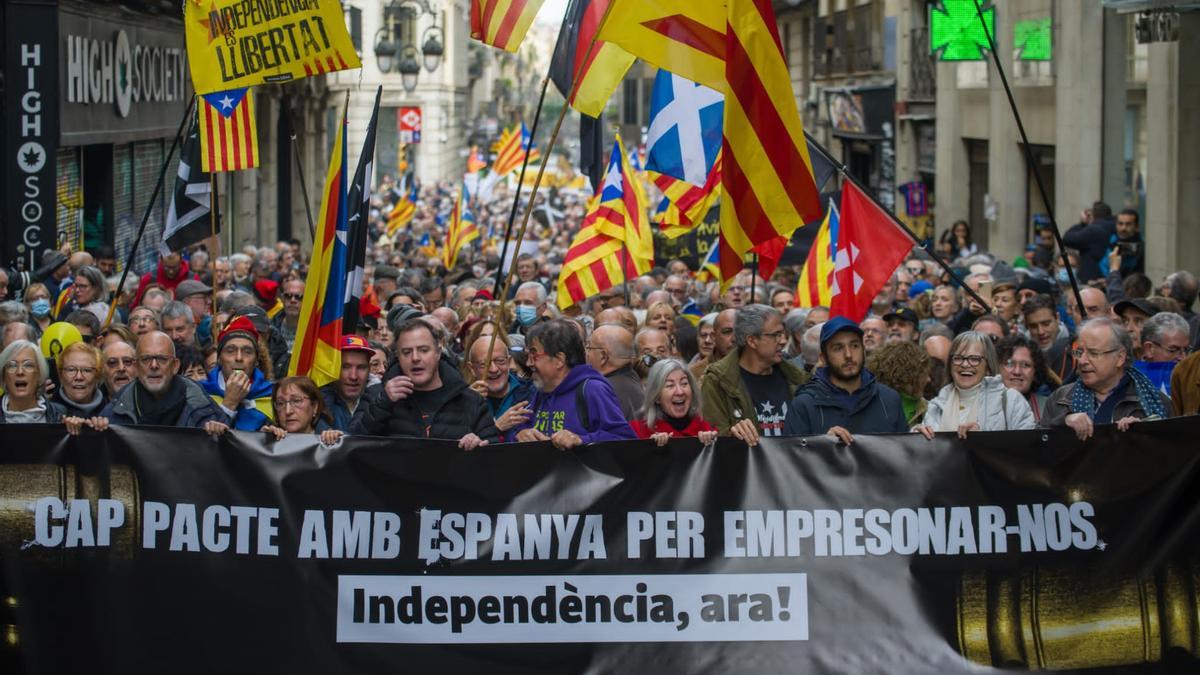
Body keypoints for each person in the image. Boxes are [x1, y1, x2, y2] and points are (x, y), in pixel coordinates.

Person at [352, 317, 499, 448]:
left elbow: (494, 457)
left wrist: (479, 445)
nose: (415, 358)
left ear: (438, 352)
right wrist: (383, 403)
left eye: (423, 350)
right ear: (397, 356)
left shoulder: (470, 400)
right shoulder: (377, 395)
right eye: (407, 352)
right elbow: (352, 443)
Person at [510, 319, 636, 448]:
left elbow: (625, 439)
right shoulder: (542, 391)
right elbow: (517, 431)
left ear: (559, 360)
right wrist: (521, 434)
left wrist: (581, 440)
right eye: (528, 356)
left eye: (534, 355)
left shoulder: (593, 389)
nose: (528, 363)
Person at [1043, 318, 1173, 439]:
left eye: (1093, 353)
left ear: (1120, 357)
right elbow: (1039, 447)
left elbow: (1172, 452)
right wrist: (1063, 422)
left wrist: (1140, 434)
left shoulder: (1154, 400)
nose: (1082, 361)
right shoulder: (1061, 398)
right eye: (1079, 352)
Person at [783, 317, 909, 441]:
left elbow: (903, 455)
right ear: (823, 357)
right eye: (838, 348)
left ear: (863, 350)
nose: (848, 355)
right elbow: (792, 457)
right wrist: (823, 445)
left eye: (854, 346)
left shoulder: (888, 399)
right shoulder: (805, 404)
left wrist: (917, 438)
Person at [701, 304, 809, 444]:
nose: (782, 341)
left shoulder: (797, 378)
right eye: (775, 335)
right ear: (752, 340)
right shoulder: (718, 381)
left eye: (782, 334)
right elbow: (715, 439)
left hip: (792, 463)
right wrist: (733, 434)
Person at [915, 332, 1036, 439]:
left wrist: (981, 439)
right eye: (958, 358)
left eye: (974, 359)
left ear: (988, 366)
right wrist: (917, 437)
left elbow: (1027, 448)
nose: (965, 364)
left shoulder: (1011, 400)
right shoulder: (936, 405)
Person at [101, 331, 228, 428]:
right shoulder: (116, 410)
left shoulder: (203, 407)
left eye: (162, 359)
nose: (154, 365)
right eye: (146, 359)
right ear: (136, 367)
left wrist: (217, 434)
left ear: (175, 366)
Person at [201, 316, 274, 431]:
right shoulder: (200, 393)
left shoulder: (272, 395)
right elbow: (197, 442)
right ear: (219, 358)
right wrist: (229, 404)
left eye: (247, 352)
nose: (239, 358)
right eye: (230, 351)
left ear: (256, 360)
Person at [631, 359, 718, 446]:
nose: (680, 392)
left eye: (684, 383)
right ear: (656, 397)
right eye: (670, 385)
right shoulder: (638, 432)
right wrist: (647, 447)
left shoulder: (707, 429)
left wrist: (711, 445)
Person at [466, 334, 533, 434]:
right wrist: (497, 427)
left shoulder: (532, 394)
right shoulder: (462, 403)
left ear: (509, 362)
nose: (494, 369)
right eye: (484, 364)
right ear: (472, 369)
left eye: (500, 361)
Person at [258, 376, 344, 446]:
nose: (288, 411)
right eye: (281, 403)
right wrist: (262, 440)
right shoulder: (270, 437)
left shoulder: (329, 439)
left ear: (314, 406)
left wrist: (337, 443)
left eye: (296, 401)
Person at [995, 334, 1059, 423]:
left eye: (1026, 365)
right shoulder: (984, 405)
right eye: (1009, 364)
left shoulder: (1049, 409)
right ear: (997, 368)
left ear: (1035, 372)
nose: (1017, 372)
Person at [585, 324, 644, 419]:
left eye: (589, 348)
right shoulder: (633, 378)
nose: (587, 354)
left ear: (603, 356)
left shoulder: (602, 391)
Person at [866, 340, 931, 427]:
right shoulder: (869, 404)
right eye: (923, 374)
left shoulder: (928, 408)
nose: (928, 380)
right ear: (908, 376)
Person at [0, 340, 66, 424]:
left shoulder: (59, 415)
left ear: (39, 375)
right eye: (12, 366)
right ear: (4, 376)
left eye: (28, 365)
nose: (20, 372)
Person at [320, 335, 375, 431]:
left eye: (361, 367)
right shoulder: (319, 405)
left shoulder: (379, 401)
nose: (353, 376)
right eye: (345, 367)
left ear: (369, 369)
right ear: (333, 368)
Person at [1133, 312, 1191, 395]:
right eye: (1173, 350)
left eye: (1186, 350)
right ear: (1149, 349)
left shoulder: (1192, 378)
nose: (1183, 358)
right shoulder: (1129, 380)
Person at [1022, 295, 1075, 383]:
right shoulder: (1021, 351)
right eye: (1033, 326)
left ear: (1057, 318)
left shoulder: (1075, 345)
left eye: (1046, 324)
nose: (1040, 332)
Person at [1063, 201, 1116, 283]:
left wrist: (1082, 223)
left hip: (1093, 279)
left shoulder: (1093, 230)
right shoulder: (1116, 228)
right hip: (1110, 277)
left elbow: (1068, 239)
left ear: (1092, 215)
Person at [53, 342, 107, 418]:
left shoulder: (110, 412)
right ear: (61, 375)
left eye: (87, 370)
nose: (79, 377)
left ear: (97, 376)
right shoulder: (49, 413)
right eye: (71, 370)